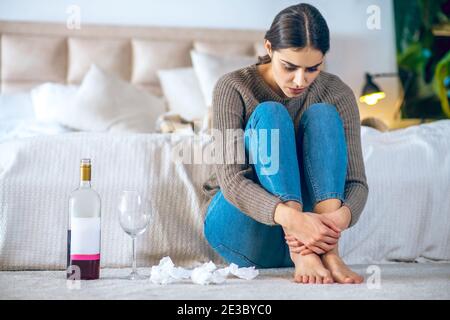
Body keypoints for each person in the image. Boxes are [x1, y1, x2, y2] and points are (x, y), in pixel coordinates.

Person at [201, 3, 368, 284]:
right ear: (269, 48)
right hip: (243, 227)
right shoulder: (232, 87)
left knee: (324, 114)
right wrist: (295, 221)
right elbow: (231, 180)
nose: (300, 80)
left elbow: (356, 183)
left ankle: (329, 255)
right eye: (289, 67)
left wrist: (335, 222)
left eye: (312, 68)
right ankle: (303, 254)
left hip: (317, 235)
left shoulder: (338, 92)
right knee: (270, 113)